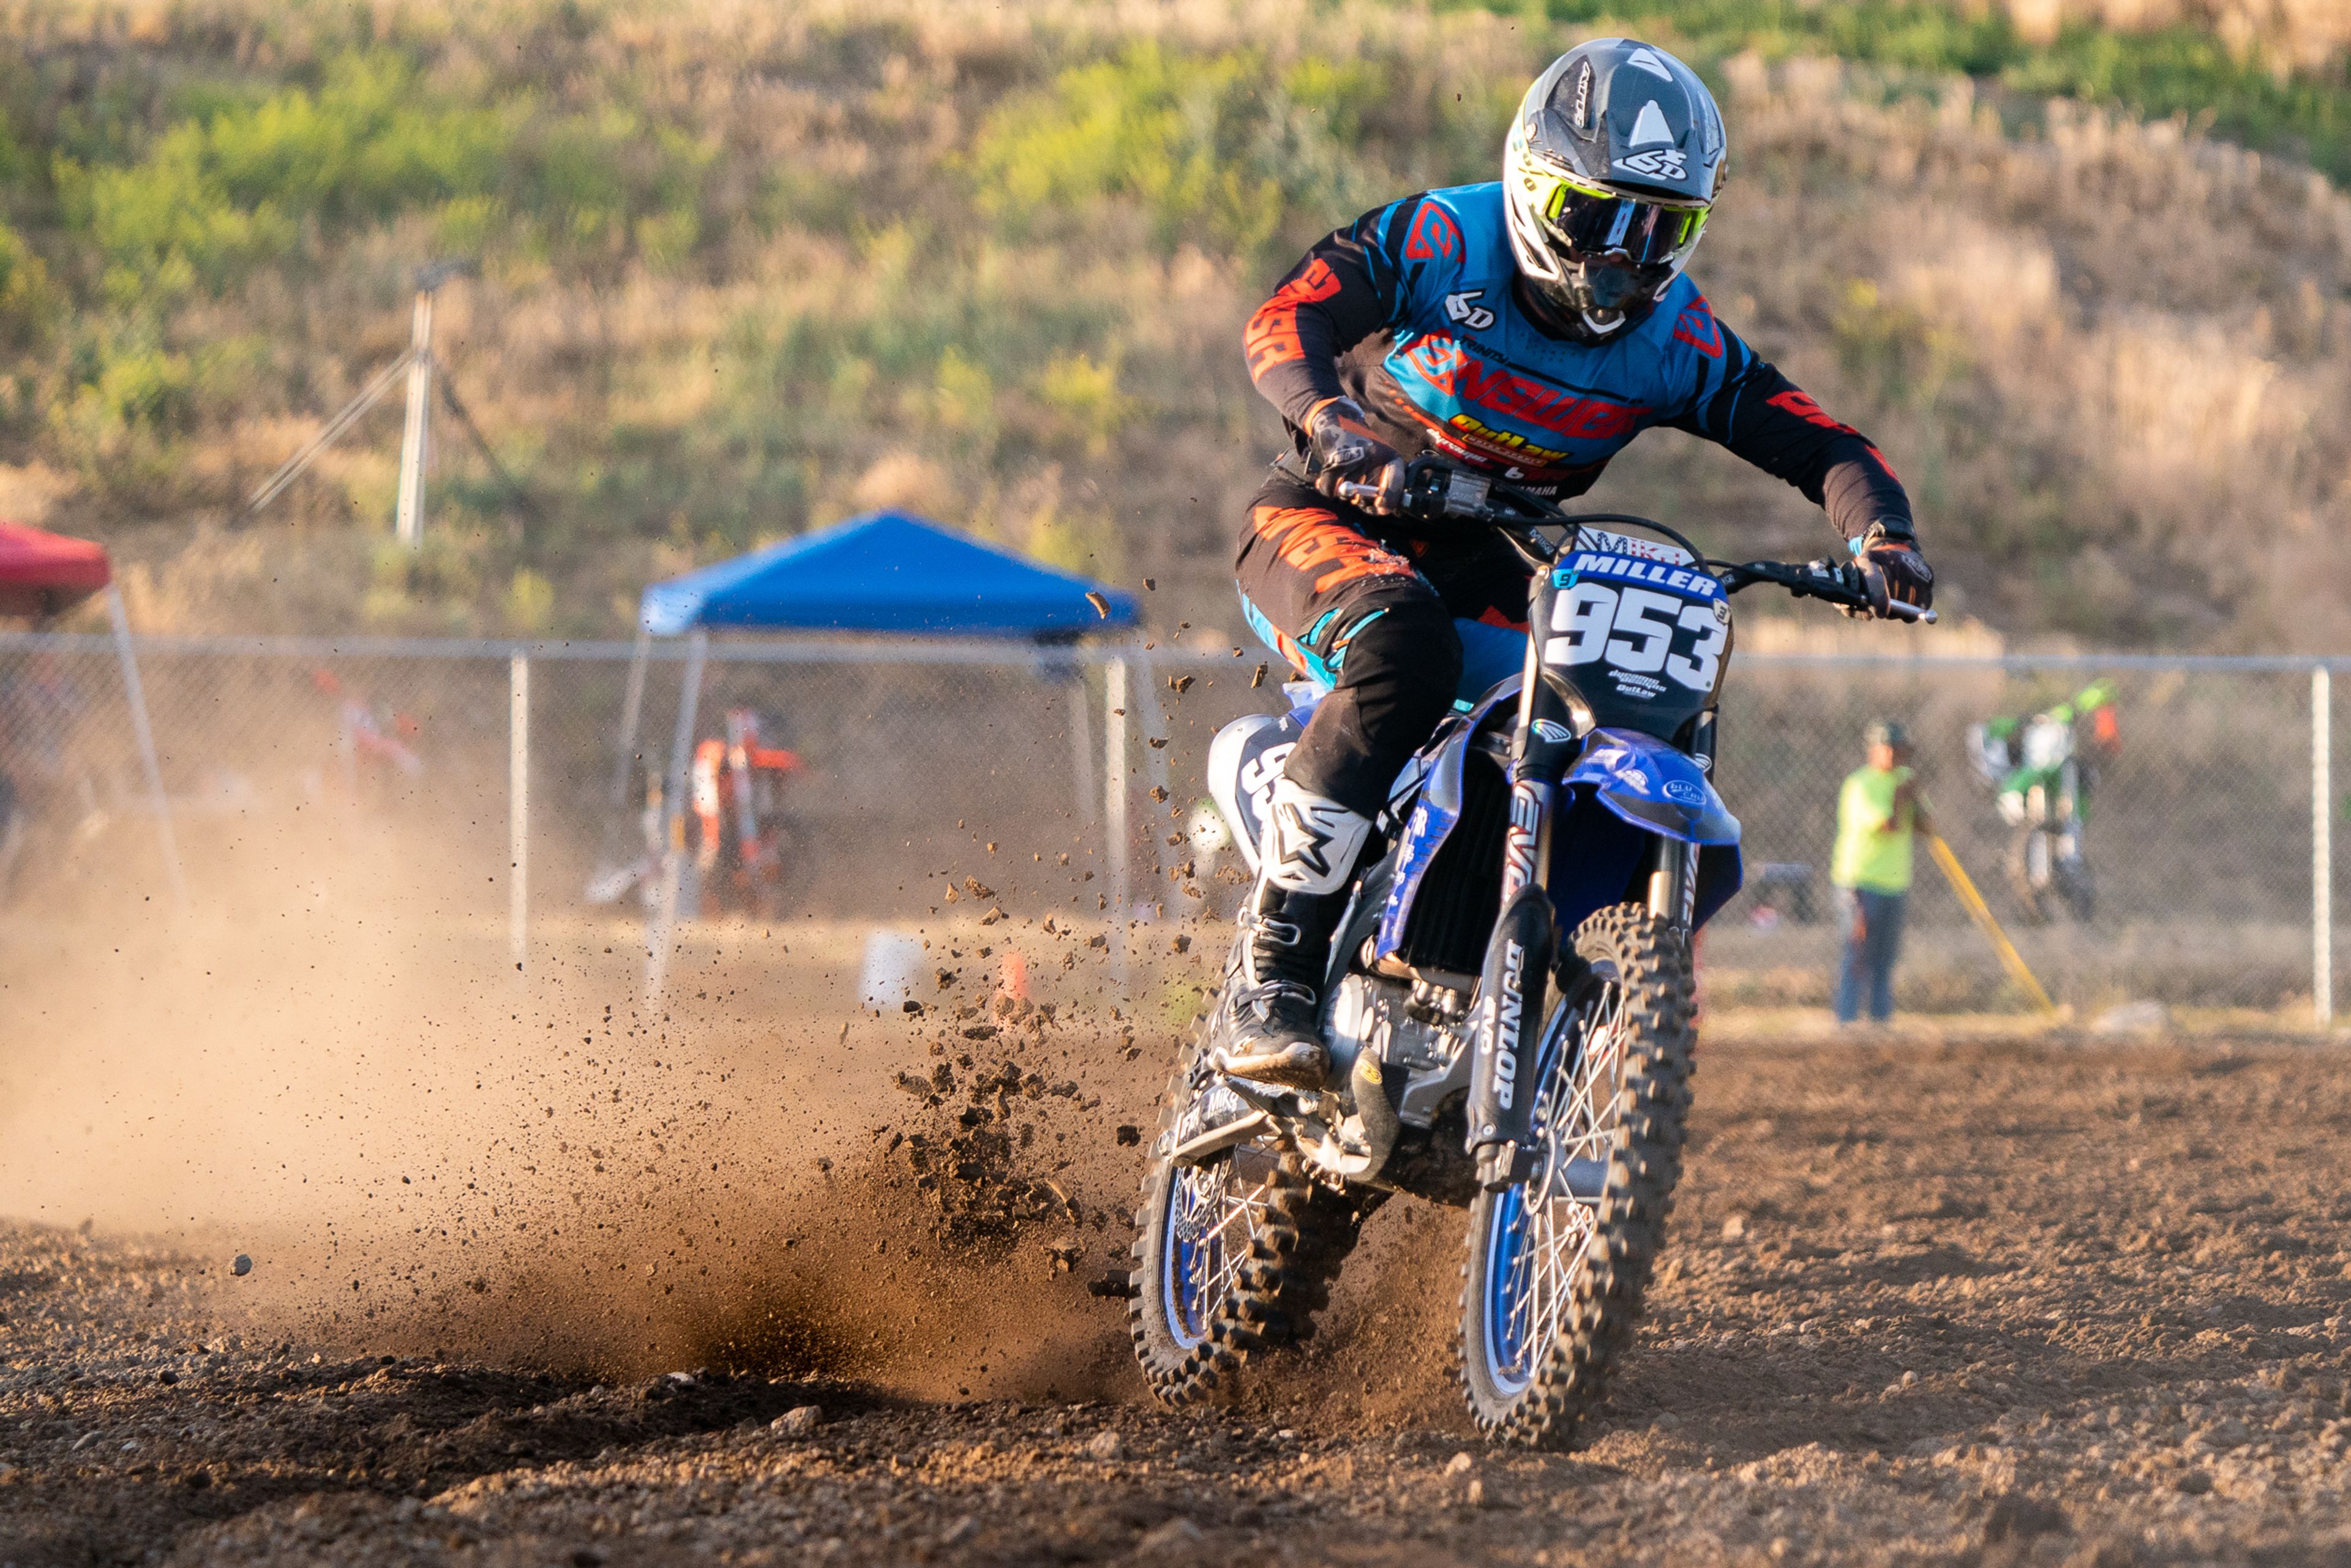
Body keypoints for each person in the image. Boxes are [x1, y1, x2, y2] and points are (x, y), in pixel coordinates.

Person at [1220, 37, 1935, 1086]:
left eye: (1662, 228)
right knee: (1404, 649)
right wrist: (1329, 422)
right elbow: (1290, 314)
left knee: (1583, 706)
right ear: (1530, 183)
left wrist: (1883, 537)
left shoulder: (1676, 342)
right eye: (1598, 216)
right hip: (1337, 526)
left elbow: (1823, 442)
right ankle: (1272, 975)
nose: (1623, 256)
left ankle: (1466, 989)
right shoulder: (1440, 238)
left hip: (1503, 562)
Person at [1831, 721, 1930, 1025]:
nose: (1896, 756)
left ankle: (1881, 1019)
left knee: (1885, 957)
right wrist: (1901, 797)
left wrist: (1915, 799)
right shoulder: (1860, 785)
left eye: (1900, 750)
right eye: (1889, 749)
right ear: (1874, 750)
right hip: (1860, 881)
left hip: (1895, 882)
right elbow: (1888, 825)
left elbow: (1925, 828)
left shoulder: (1905, 781)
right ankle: (1846, 1020)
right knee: (1857, 953)